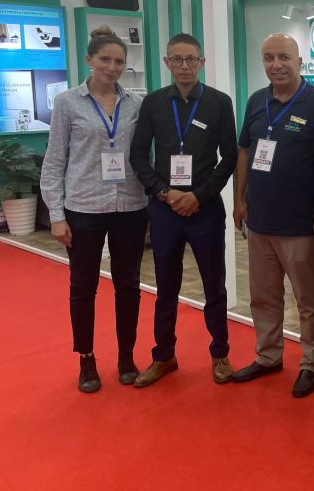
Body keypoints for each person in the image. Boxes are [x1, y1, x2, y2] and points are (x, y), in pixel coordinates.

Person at [40, 26, 148, 393]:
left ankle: (126, 356)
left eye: (119, 61)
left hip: (130, 206)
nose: (112, 67)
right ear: (89, 60)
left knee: (128, 286)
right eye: (105, 59)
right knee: (83, 287)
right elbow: (55, 161)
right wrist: (56, 215)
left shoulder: (136, 104)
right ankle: (86, 358)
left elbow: (145, 156)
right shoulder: (67, 102)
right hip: (83, 208)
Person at [130, 33, 238, 387]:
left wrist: (199, 196)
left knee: (214, 286)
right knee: (165, 286)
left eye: (191, 59)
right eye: (177, 59)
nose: (185, 66)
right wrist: (163, 192)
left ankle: (220, 354)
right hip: (164, 209)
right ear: (167, 63)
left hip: (204, 208)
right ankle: (164, 356)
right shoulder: (154, 103)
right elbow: (138, 155)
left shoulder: (219, 102)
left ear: (201, 62)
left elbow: (230, 157)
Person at [231, 33, 314, 397]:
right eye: (269, 58)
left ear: (299, 61)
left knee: (308, 301)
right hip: (259, 221)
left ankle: (311, 363)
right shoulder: (256, 101)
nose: (277, 65)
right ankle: (268, 356)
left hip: (299, 224)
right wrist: (239, 200)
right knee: (263, 297)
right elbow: (245, 151)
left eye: (284, 57)